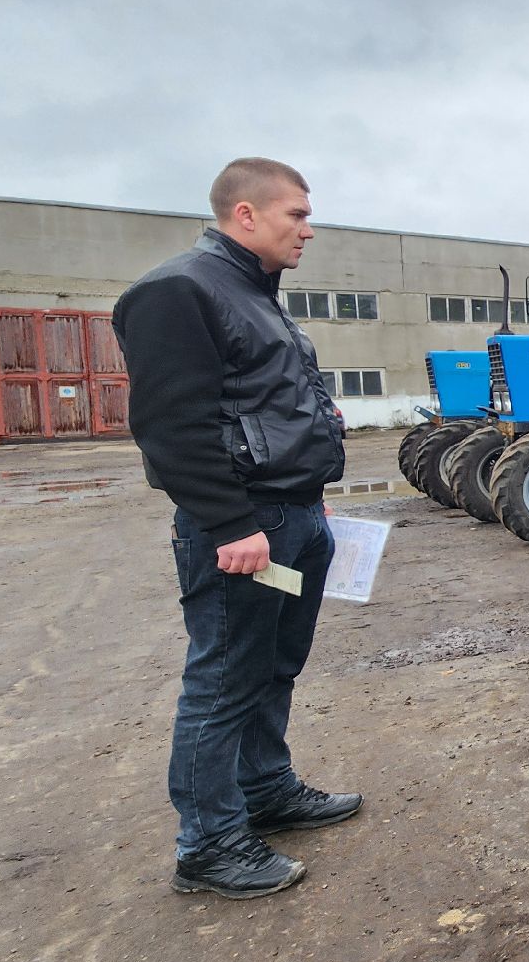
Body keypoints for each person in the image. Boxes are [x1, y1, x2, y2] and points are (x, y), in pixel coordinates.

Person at [112, 157, 358, 900]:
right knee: (223, 680)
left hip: (293, 515)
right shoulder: (179, 290)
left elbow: (265, 404)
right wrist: (229, 522)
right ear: (245, 214)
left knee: (273, 665)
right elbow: (170, 427)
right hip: (246, 528)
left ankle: (265, 790)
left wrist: (311, 467)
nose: (308, 230)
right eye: (297, 215)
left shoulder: (255, 295)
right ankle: (208, 844)